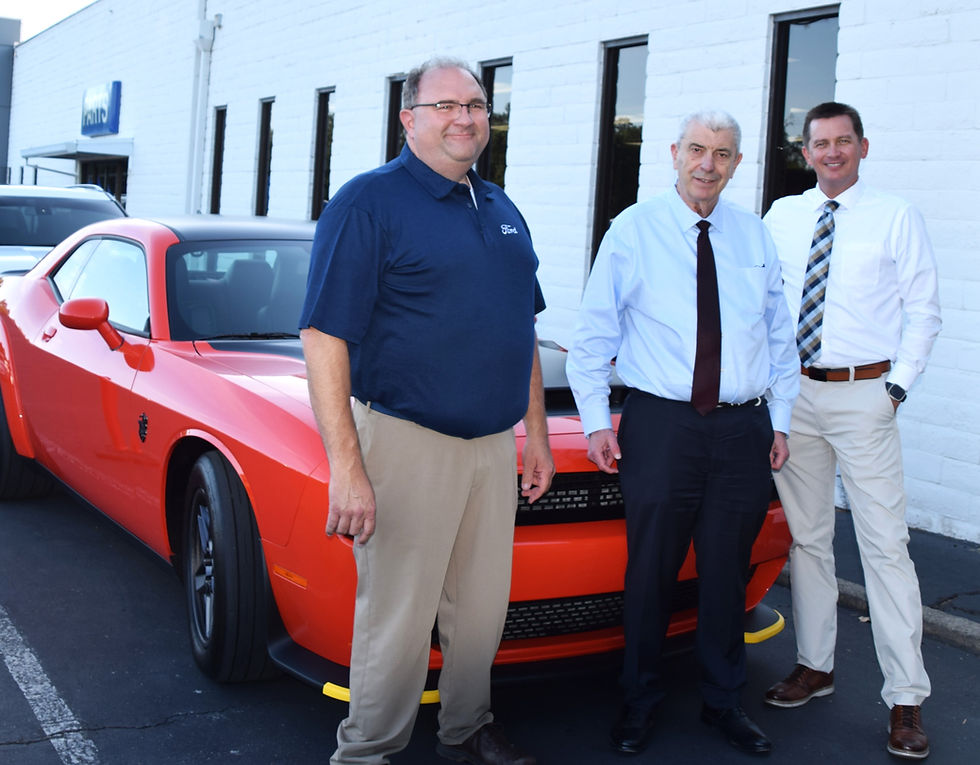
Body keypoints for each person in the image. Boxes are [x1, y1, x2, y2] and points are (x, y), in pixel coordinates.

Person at [299, 57, 554, 765]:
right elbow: (324, 336)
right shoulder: (367, 204)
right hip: (407, 441)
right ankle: (367, 751)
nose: (465, 117)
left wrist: (533, 430)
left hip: (491, 448)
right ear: (409, 117)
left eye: (475, 104)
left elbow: (521, 327)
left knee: (479, 614)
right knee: (397, 620)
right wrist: (347, 468)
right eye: (446, 105)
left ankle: (466, 727)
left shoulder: (502, 208)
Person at [566, 110, 798, 757]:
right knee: (652, 574)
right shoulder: (633, 231)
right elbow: (593, 337)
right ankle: (638, 700)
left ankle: (724, 702)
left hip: (742, 428)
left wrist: (779, 419)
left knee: (726, 573)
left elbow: (781, 338)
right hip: (663, 426)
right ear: (674, 153)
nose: (708, 164)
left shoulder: (754, 237)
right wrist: (592, 419)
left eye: (722, 153)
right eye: (697, 149)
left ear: (736, 163)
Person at [762, 101, 941, 760]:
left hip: (866, 393)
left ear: (863, 147)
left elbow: (925, 312)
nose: (831, 152)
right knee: (807, 539)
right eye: (819, 143)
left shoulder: (896, 216)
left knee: (885, 546)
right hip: (795, 396)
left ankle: (905, 697)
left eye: (843, 142)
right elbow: (761, 301)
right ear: (804, 151)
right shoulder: (781, 217)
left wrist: (895, 389)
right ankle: (816, 664)